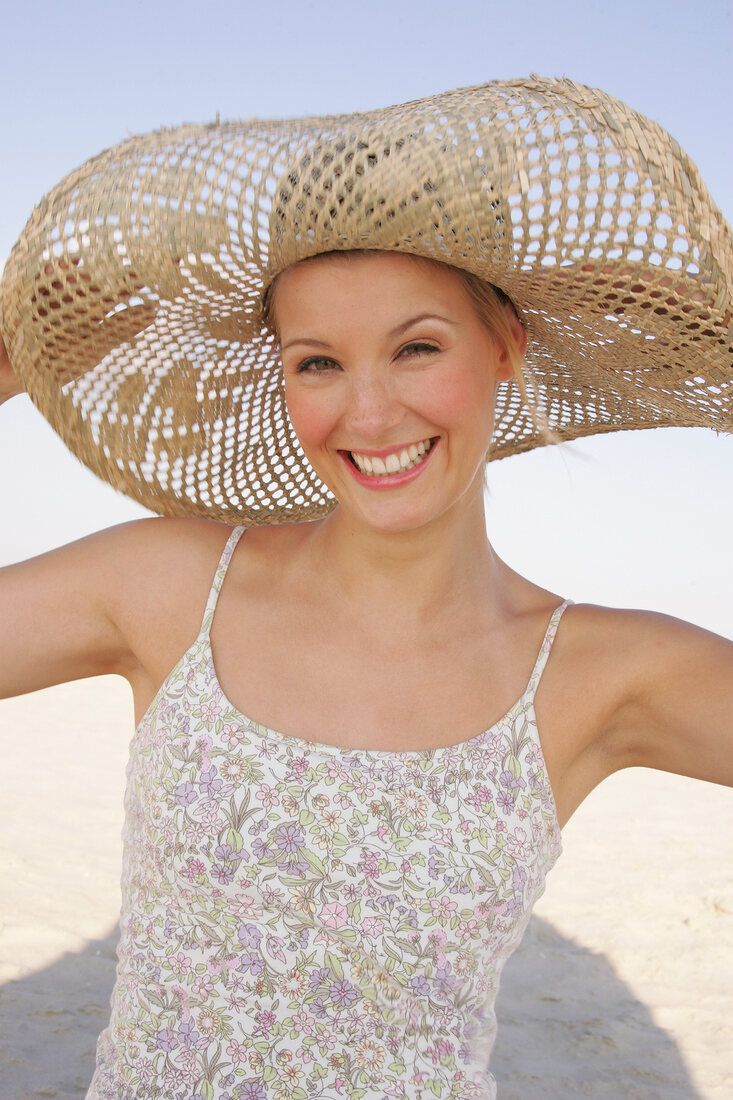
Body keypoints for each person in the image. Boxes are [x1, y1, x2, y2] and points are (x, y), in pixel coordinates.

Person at [0, 77, 731, 1100]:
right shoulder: (164, 586)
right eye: (317, 362)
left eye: (418, 346)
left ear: (507, 345)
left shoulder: (604, 672)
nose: (370, 411)